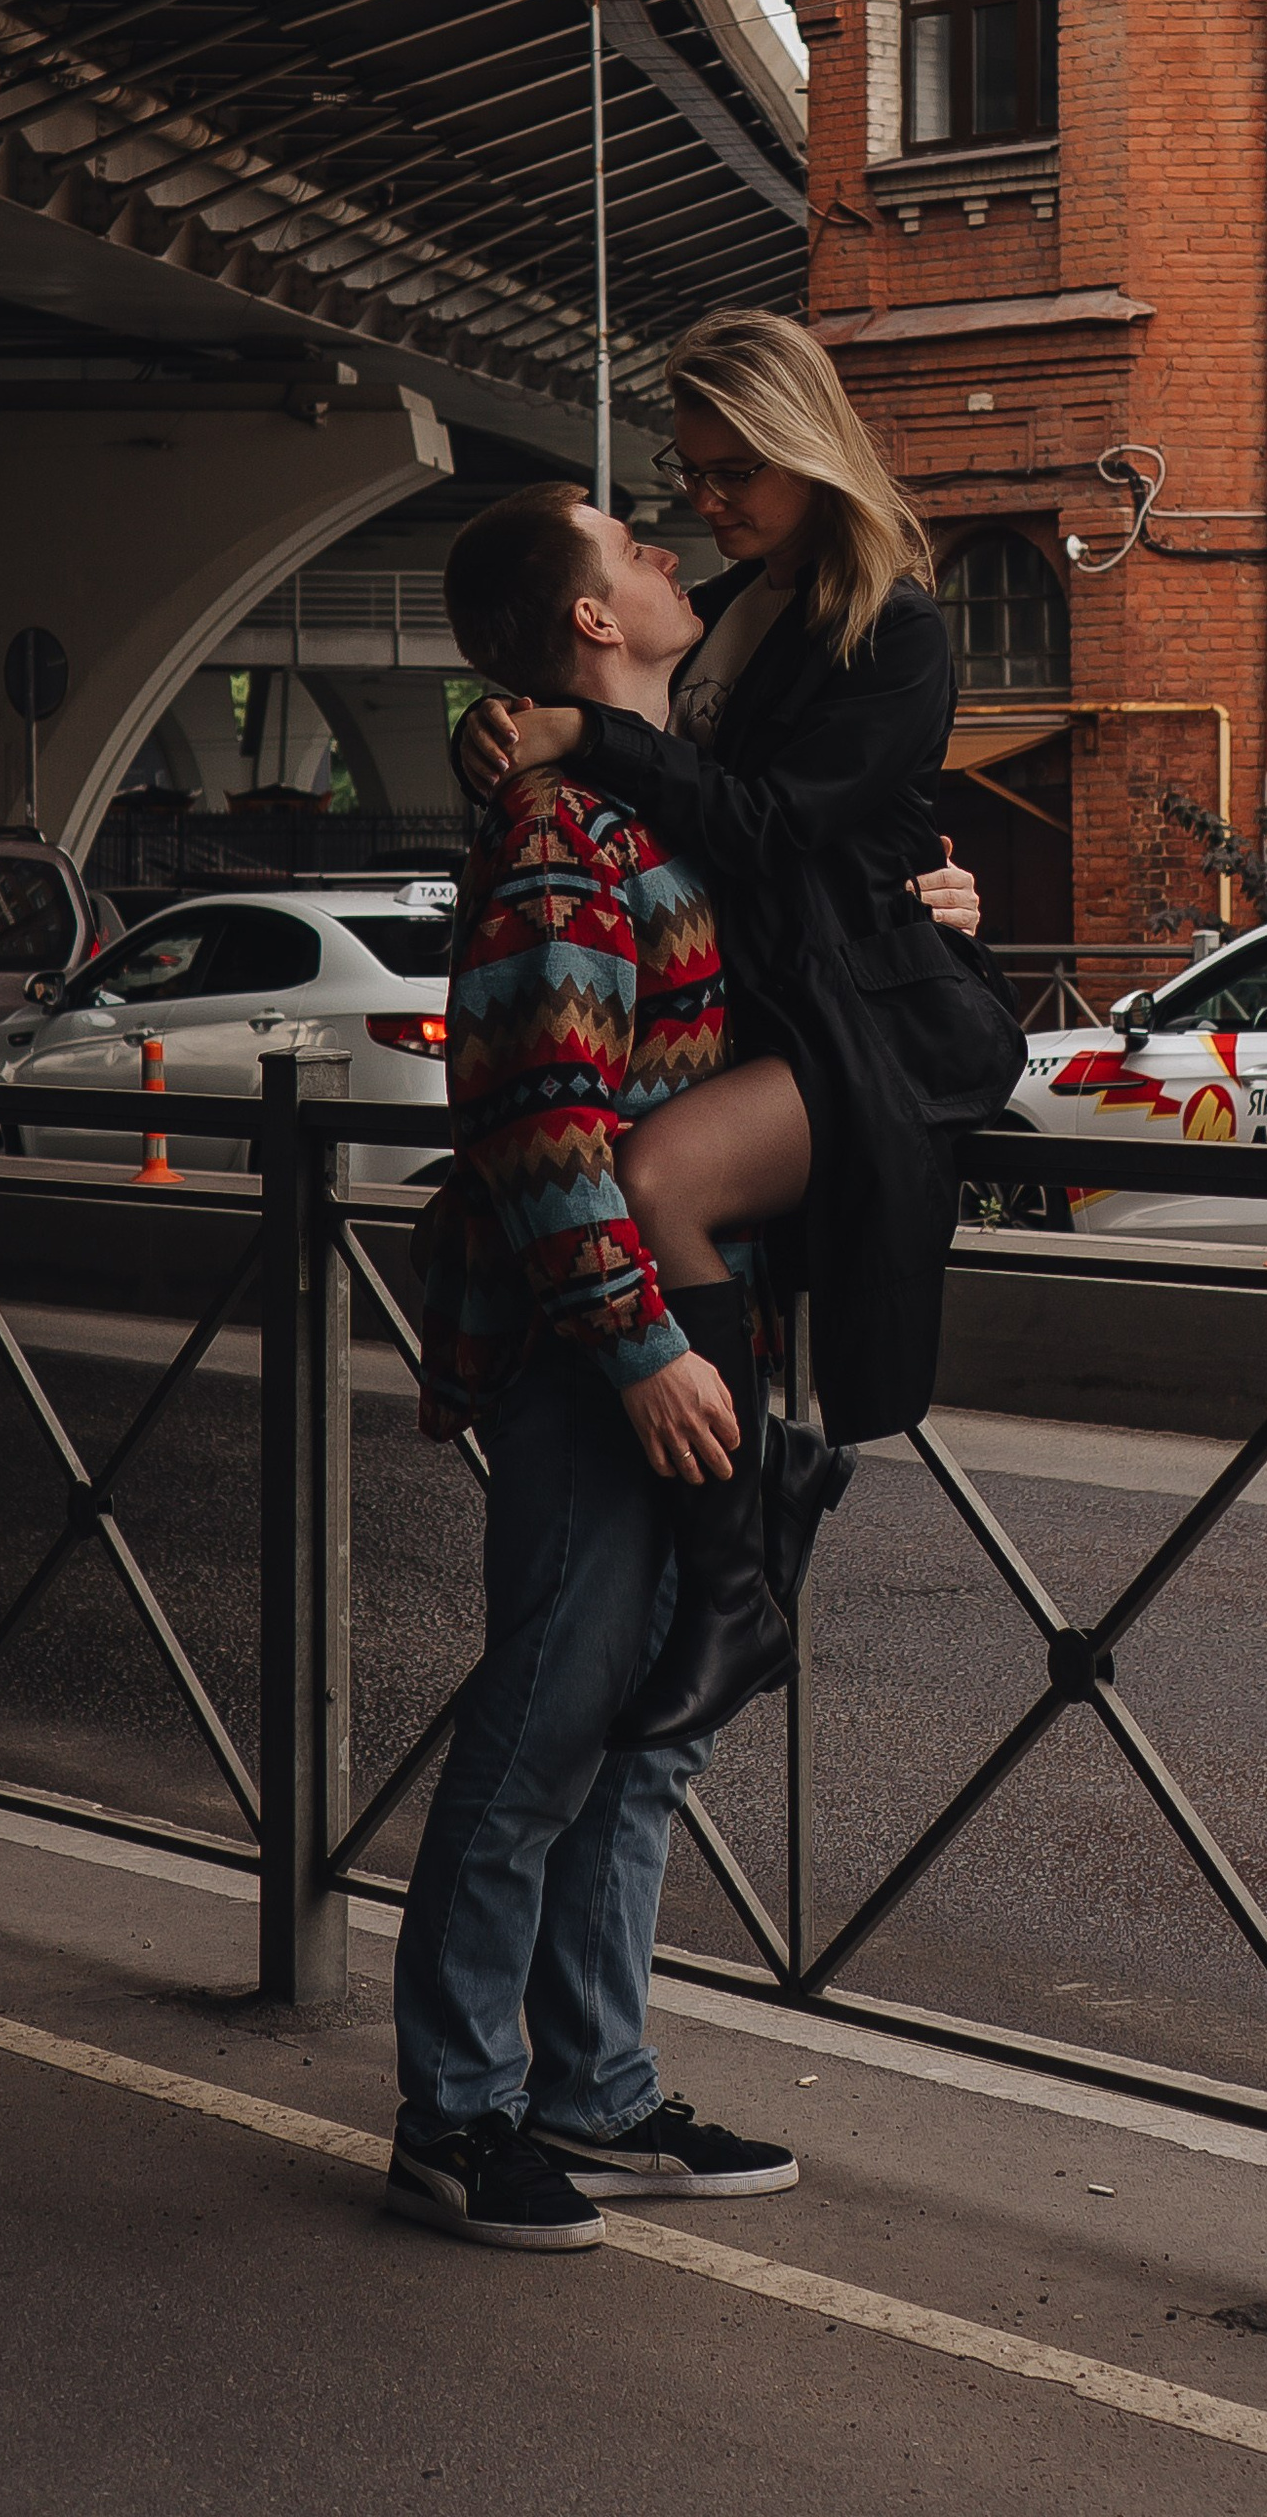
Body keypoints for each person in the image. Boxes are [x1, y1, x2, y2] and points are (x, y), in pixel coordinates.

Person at [456, 309, 1026, 1748]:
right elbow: (626, 736)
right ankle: (753, 1531)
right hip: (776, 1007)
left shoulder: (892, 625)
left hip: (875, 1016)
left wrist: (583, 735)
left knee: (658, 1179)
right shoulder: (732, 603)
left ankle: (738, 1582)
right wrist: (507, 733)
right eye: (689, 473)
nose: (704, 505)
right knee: (652, 1183)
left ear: (803, 449)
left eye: (732, 473)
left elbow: (771, 825)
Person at [388, 477, 798, 2255]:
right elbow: (543, 1125)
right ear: (587, 621)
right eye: (630, 545)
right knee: (546, 1726)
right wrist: (639, 1351)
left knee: (637, 1735)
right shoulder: (562, 836)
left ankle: (594, 2090)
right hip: (603, 1350)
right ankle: (456, 2116)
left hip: (678, 1329)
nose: (665, 553)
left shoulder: (646, 799)